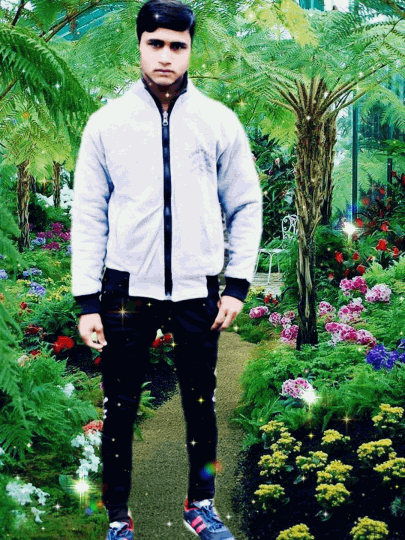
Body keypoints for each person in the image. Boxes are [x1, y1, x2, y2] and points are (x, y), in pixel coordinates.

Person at [71, 0, 262, 538]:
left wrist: (237, 284)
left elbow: (245, 204)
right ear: (139, 45)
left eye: (178, 46)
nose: (166, 56)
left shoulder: (218, 121)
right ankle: (117, 517)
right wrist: (87, 300)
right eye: (155, 43)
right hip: (125, 289)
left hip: (198, 290)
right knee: (120, 406)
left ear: (190, 51)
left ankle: (201, 505)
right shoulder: (107, 124)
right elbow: (88, 212)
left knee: (202, 404)